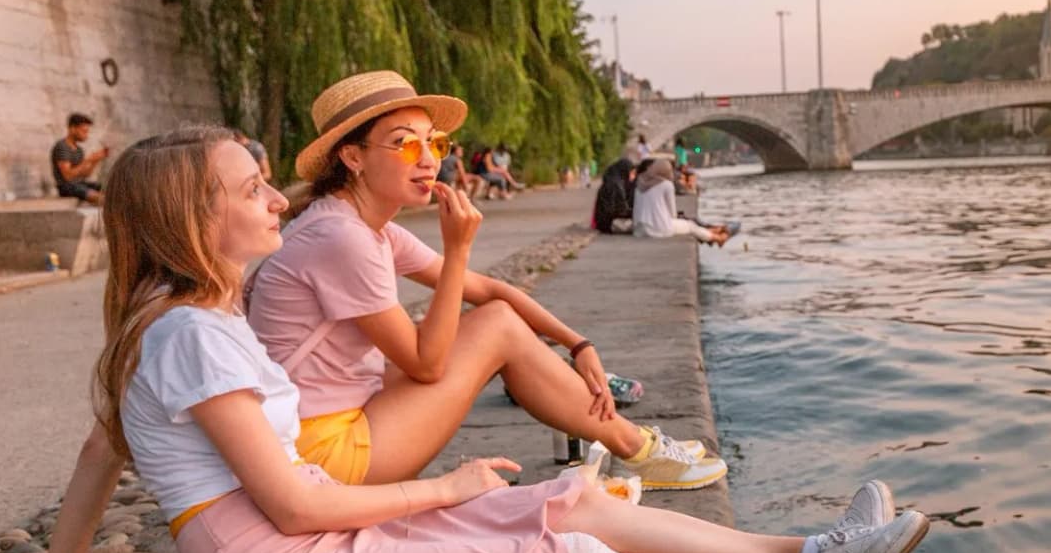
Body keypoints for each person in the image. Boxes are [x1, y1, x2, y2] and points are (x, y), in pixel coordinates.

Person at [11, 125, 930, 553]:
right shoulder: (192, 334)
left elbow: (102, 451)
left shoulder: (180, 320)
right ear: (190, 219)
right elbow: (292, 507)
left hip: (306, 551)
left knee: (567, 500)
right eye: (252, 191)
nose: (276, 204)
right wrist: (445, 491)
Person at [248, 71, 725, 490]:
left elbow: (492, 291)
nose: (428, 159)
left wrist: (579, 344)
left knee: (496, 319)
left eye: (433, 142)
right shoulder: (341, 237)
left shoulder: (363, 226)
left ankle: (630, 441)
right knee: (493, 328)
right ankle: (633, 447)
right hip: (322, 457)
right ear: (352, 157)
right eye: (404, 143)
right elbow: (427, 365)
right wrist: (457, 249)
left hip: (331, 423)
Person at [633, 158, 733, 245]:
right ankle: (718, 239)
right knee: (690, 226)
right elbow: (672, 214)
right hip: (659, 230)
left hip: (639, 230)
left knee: (686, 226)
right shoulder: (666, 185)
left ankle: (712, 233)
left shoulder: (640, 184)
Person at [51, 113, 109, 204]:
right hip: (66, 187)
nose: (86, 135)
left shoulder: (79, 150)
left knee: (109, 188)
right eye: (84, 131)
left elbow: (85, 174)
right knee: (101, 198)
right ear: (72, 129)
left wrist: (95, 160)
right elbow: (68, 176)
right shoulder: (62, 146)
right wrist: (88, 160)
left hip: (80, 184)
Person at [591, 146, 638, 235]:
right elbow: (620, 208)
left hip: (601, 221)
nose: (632, 176)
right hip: (607, 223)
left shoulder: (611, 180)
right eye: (631, 173)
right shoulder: (616, 185)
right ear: (625, 171)